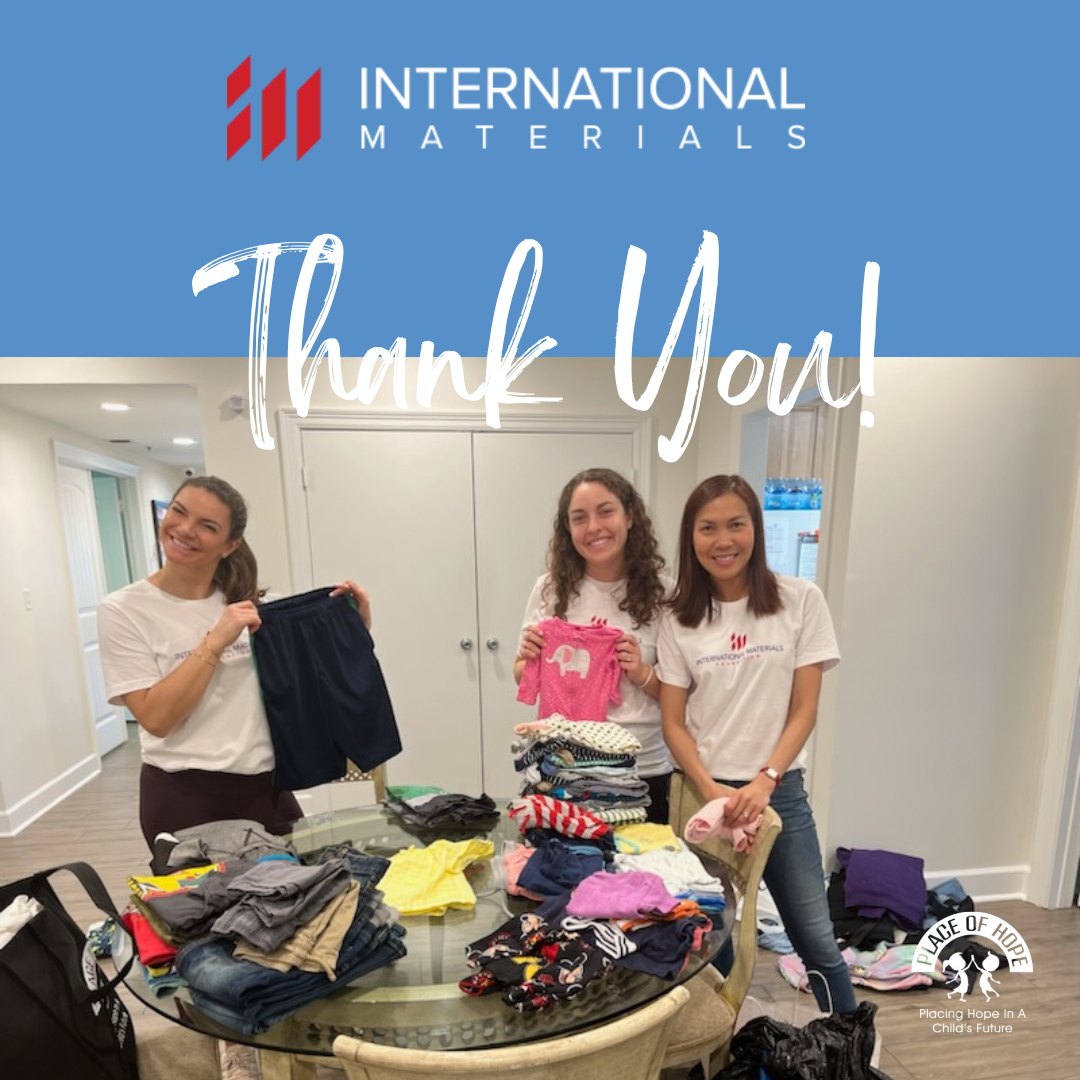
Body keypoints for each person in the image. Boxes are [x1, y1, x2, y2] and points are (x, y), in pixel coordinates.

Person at [656, 474, 857, 1014]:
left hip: (778, 791)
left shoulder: (800, 600)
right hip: (704, 796)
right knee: (709, 941)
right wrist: (711, 789)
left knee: (815, 937)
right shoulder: (677, 616)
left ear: (756, 529)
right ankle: (718, 1047)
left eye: (736, 525)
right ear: (691, 536)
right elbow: (673, 722)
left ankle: (849, 1045)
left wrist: (766, 780)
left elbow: (804, 709)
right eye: (708, 528)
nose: (723, 540)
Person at [98, 475, 372, 847]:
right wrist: (215, 641)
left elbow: (314, 678)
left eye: (207, 526)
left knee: (303, 881)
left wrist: (354, 627)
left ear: (230, 545)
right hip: (183, 796)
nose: (185, 529)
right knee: (208, 891)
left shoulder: (252, 606)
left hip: (266, 789)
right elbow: (156, 719)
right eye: (179, 511)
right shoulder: (123, 610)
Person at [514, 468, 674, 823]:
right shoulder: (549, 590)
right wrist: (530, 657)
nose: (594, 527)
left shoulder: (665, 594)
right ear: (567, 528)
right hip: (563, 766)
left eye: (606, 512)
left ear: (629, 516)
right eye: (579, 518)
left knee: (643, 859)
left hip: (640, 769)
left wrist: (641, 673)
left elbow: (680, 695)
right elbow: (521, 674)